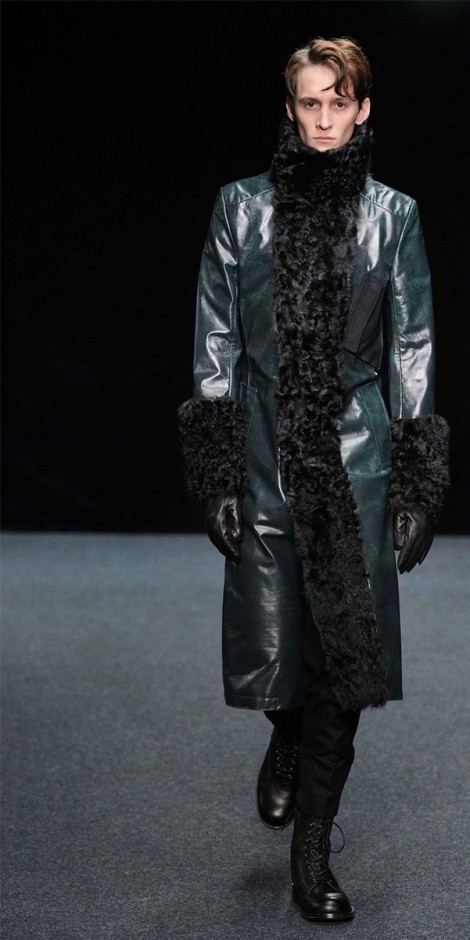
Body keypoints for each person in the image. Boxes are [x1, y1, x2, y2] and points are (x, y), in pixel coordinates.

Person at [177, 36, 450, 924]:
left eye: (339, 101)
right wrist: (218, 464)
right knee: (273, 645)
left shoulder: (394, 215)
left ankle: (313, 851)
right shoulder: (240, 207)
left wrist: (415, 480)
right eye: (310, 102)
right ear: (290, 108)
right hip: (263, 448)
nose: (325, 119)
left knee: (343, 656)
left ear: (363, 109)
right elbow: (217, 335)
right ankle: (285, 737)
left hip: (356, 454)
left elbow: (412, 345)